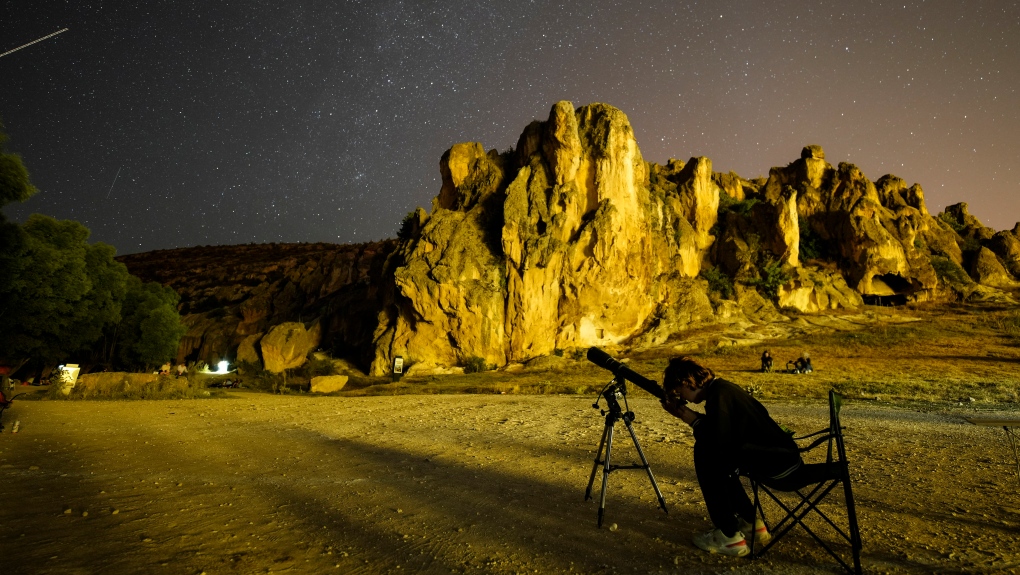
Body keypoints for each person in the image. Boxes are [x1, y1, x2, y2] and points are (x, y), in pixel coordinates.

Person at [661, 356, 802, 557]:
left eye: (679, 392)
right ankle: (751, 523)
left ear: (687, 383)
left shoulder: (720, 396)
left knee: (706, 456)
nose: (682, 397)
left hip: (777, 464)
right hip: (781, 457)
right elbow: (723, 431)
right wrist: (689, 417)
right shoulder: (722, 390)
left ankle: (729, 536)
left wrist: (693, 421)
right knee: (717, 458)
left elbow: (719, 442)